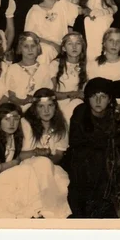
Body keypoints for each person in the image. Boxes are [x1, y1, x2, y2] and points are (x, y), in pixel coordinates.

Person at [64, 78, 120, 218]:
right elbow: (77, 142)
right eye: (94, 96)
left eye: (103, 97)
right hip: (81, 164)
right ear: (87, 98)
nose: (98, 101)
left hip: (105, 167)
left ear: (110, 99)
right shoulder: (80, 111)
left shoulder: (113, 116)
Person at [0, 102, 61, 218]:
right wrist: (12, 164)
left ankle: (34, 211)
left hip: (2, 177)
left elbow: (17, 156)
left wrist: (36, 152)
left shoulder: (12, 134)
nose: (12, 123)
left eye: (16, 119)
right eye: (7, 119)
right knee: (25, 170)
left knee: (28, 170)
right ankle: (35, 210)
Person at [16, 89, 73, 218]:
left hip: (50, 165)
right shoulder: (25, 124)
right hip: (27, 165)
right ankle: (44, 211)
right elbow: (20, 155)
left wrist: (49, 159)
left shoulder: (61, 125)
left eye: (50, 106)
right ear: (35, 109)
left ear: (55, 107)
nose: (46, 111)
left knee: (62, 182)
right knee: (42, 164)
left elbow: (59, 155)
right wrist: (38, 153)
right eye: (41, 107)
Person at [24, 0, 83, 65]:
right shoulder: (34, 10)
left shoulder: (62, 5)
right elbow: (29, 34)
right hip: (40, 44)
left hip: (59, 45)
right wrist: (51, 44)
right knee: (43, 52)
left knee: (45, 54)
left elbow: (81, 11)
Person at [5, 31, 53, 113]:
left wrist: (36, 101)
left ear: (38, 47)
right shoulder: (13, 69)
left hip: (41, 110)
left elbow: (48, 93)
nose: (30, 50)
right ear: (20, 48)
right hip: (20, 109)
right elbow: (11, 96)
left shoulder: (45, 68)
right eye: (26, 46)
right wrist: (23, 102)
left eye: (33, 46)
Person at [50, 32, 88, 123]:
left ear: (82, 47)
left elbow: (85, 93)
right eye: (70, 44)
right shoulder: (55, 64)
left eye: (78, 43)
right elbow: (51, 94)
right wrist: (71, 94)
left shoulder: (87, 65)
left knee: (77, 104)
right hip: (59, 106)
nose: (74, 47)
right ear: (64, 48)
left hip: (78, 106)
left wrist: (78, 96)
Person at [87, 28, 120, 103]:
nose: (114, 44)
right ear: (104, 43)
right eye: (111, 40)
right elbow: (91, 91)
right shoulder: (94, 63)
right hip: (99, 104)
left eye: (118, 41)